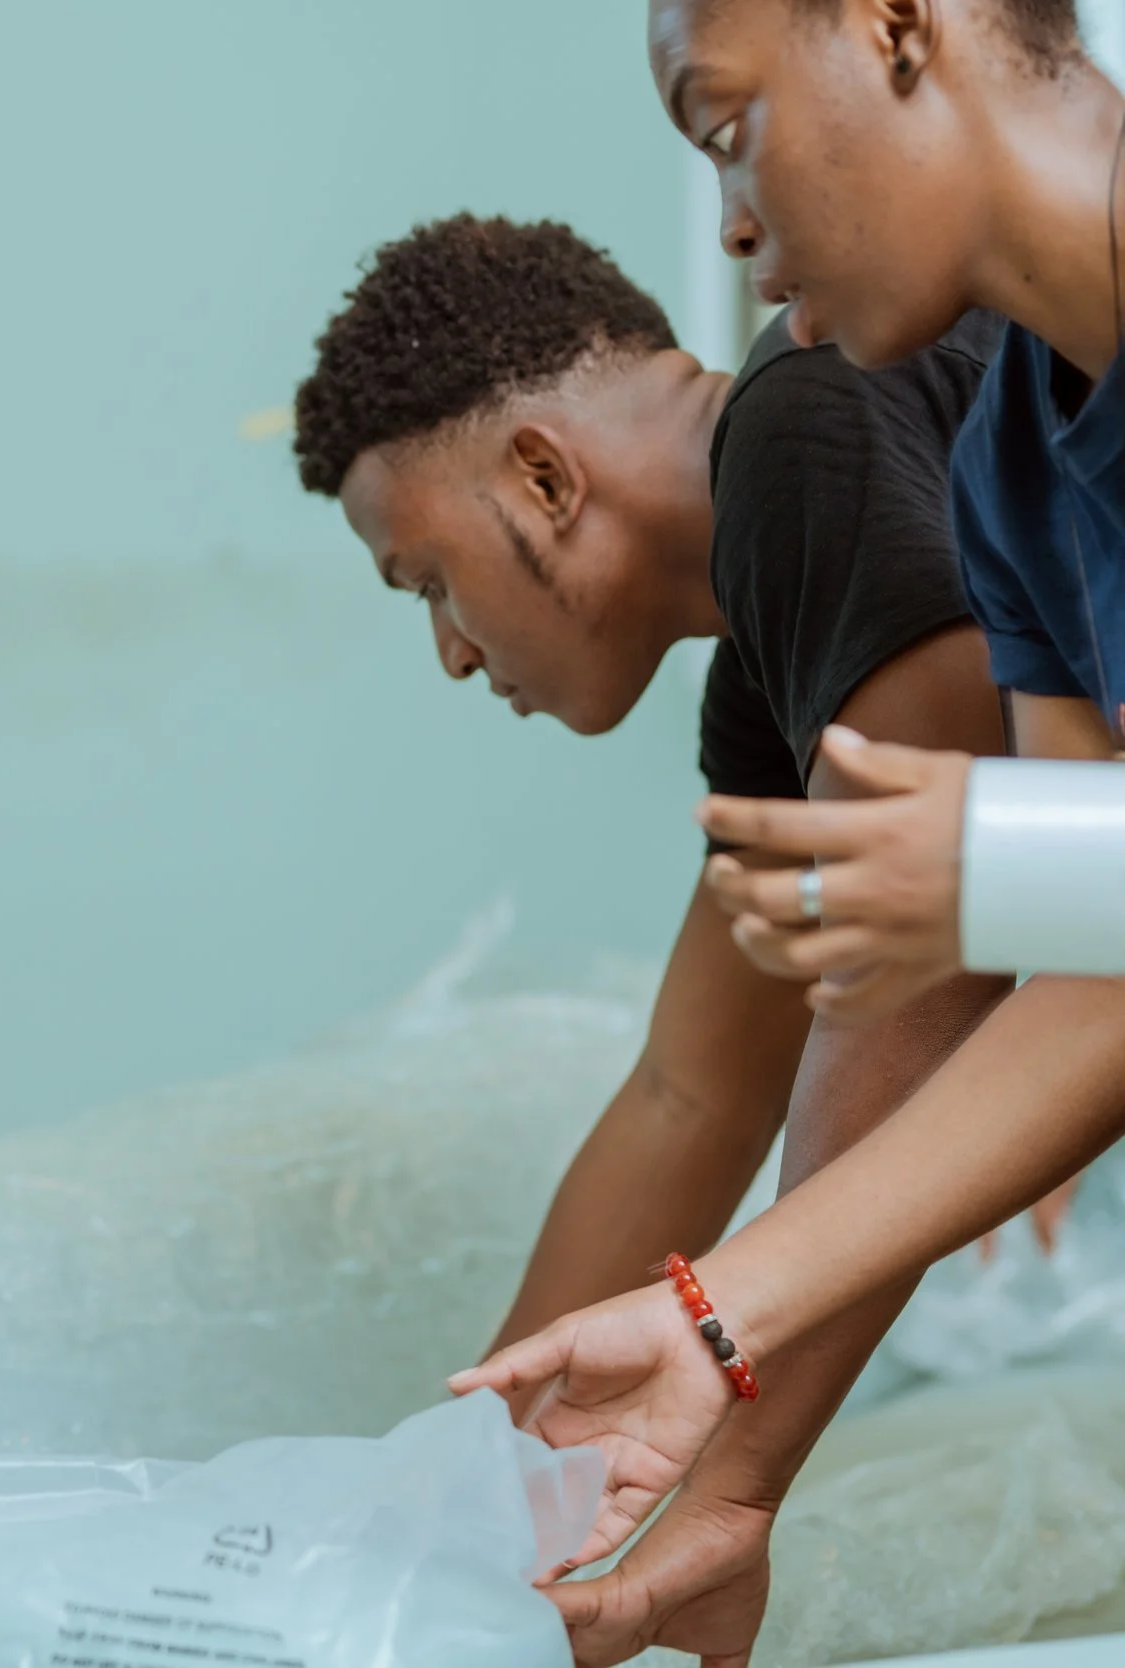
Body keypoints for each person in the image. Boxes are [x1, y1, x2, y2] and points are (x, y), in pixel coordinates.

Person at [456, 3, 1125, 1663]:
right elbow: (1096, 994)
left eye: (726, 123)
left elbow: (1040, 903)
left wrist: (1018, 861)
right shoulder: (1013, 471)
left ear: (904, 27)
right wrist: (716, 1372)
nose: (733, 221)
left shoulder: (822, 433)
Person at [294, 212, 1019, 1664]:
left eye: (428, 581)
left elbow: (928, 977)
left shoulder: (809, 427)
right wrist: (460, 1495)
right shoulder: (774, 634)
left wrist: (728, 1483)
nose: (448, 650)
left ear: (546, 477)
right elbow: (696, 1088)